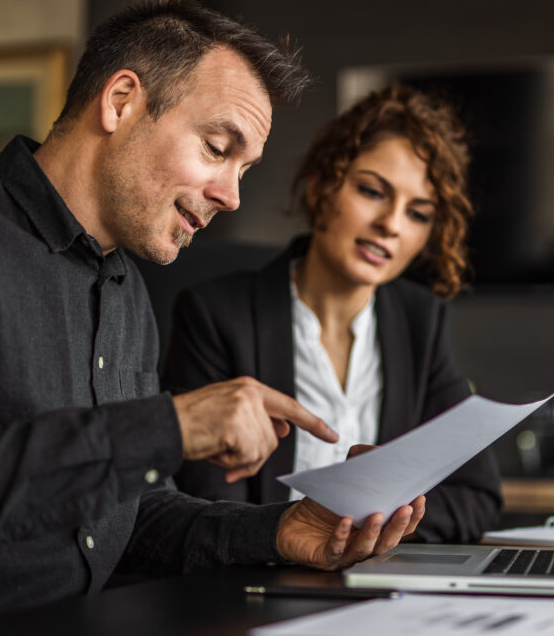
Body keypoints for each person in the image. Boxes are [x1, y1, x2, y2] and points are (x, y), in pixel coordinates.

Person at [0, 0, 423, 634]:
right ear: (121, 100)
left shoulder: (125, 289)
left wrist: (280, 529)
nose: (232, 196)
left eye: (244, 167)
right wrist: (167, 427)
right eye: (218, 148)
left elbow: (120, 521)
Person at [167, 85, 502, 543]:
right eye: (372, 191)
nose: (392, 225)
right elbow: (201, 505)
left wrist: (367, 532)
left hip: (378, 586)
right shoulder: (217, 315)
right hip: (259, 581)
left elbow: (476, 495)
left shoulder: (420, 319)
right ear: (323, 185)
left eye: (419, 214)